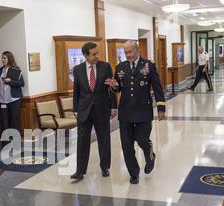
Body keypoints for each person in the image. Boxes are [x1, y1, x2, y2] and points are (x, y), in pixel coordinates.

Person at [106, 40, 166, 185]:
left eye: (130, 51)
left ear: (138, 50)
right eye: (125, 52)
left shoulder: (148, 65)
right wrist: (114, 86)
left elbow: (157, 87)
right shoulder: (120, 67)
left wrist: (161, 107)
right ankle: (134, 173)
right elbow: (117, 88)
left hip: (143, 111)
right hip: (126, 112)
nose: (128, 55)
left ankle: (150, 156)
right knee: (126, 145)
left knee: (142, 140)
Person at [71, 42, 117, 181]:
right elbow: (76, 91)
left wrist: (113, 106)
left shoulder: (105, 66)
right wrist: (75, 109)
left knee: (104, 139)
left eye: (97, 53)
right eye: (93, 54)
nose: (97, 56)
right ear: (85, 55)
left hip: (101, 109)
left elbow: (111, 88)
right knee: (82, 141)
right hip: (84, 110)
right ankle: (80, 171)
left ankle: (105, 167)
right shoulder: (77, 70)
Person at [0, 51, 25, 135]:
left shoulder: (15, 69)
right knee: (4, 123)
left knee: (14, 122)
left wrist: (10, 81)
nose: (2, 60)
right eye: (2, 58)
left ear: (9, 59)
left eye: (4, 58)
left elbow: (22, 83)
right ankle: (5, 144)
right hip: (2, 100)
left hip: (13, 100)